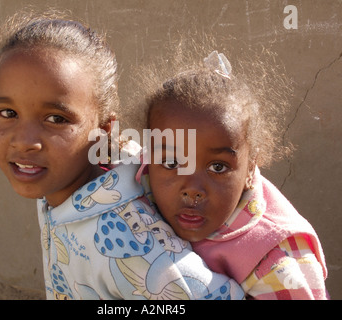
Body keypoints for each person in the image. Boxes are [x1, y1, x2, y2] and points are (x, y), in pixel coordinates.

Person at [0, 11, 244, 300]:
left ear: (104, 131)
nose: (24, 142)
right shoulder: (55, 186)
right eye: (8, 113)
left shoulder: (130, 239)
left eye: (57, 119)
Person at [135, 50, 329, 299]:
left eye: (218, 167)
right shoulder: (135, 184)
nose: (192, 188)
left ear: (250, 169)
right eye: (172, 163)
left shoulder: (275, 257)